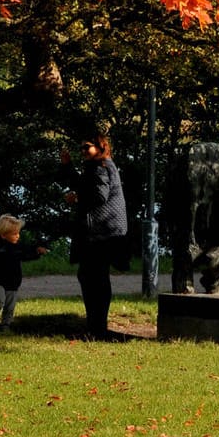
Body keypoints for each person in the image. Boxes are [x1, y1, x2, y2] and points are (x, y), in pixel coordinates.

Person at [64, 132, 131, 341]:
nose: (83, 151)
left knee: (93, 278)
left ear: (100, 146)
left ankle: (96, 328)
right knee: (93, 277)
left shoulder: (100, 167)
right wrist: (68, 167)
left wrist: (77, 198)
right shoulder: (103, 165)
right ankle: (95, 327)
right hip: (107, 232)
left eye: (87, 147)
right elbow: (86, 186)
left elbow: (99, 196)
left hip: (102, 233)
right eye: (81, 147)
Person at [0, 214, 48, 333]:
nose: (18, 236)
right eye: (14, 234)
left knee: (10, 304)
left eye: (18, 233)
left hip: (13, 281)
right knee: (0, 299)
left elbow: (27, 255)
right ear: (3, 235)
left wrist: (37, 252)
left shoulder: (18, 247)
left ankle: (6, 325)